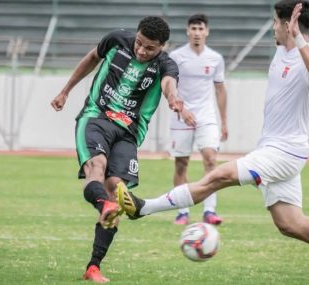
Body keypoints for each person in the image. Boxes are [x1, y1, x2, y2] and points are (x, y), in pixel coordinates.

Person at [116, 2, 309, 284]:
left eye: (275, 22)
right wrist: (291, 33)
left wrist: (296, 35)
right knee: (290, 224)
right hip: (271, 148)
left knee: (218, 175)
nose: (272, 27)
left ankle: (142, 208)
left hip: (285, 151)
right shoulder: (282, 50)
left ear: (288, 26)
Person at [51, 16, 182, 283]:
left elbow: (169, 83)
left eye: (150, 48)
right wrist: (65, 90)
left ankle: (93, 267)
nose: (141, 51)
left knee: (116, 189)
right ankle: (104, 205)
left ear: (162, 47)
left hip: (129, 132)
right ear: (136, 35)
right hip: (96, 117)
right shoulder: (116, 39)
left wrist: (173, 98)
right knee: (96, 168)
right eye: (139, 43)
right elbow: (91, 59)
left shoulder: (166, 64)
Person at [168, 13, 228, 226]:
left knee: (211, 160)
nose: (197, 33)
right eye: (193, 29)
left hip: (206, 117)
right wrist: (181, 109)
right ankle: (182, 211)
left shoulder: (215, 58)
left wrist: (224, 121)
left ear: (207, 31)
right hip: (181, 117)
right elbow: (169, 85)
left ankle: (209, 210)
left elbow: (220, 90)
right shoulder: (176, 56)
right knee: (181, 165)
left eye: (200, 29)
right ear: (187, 31)